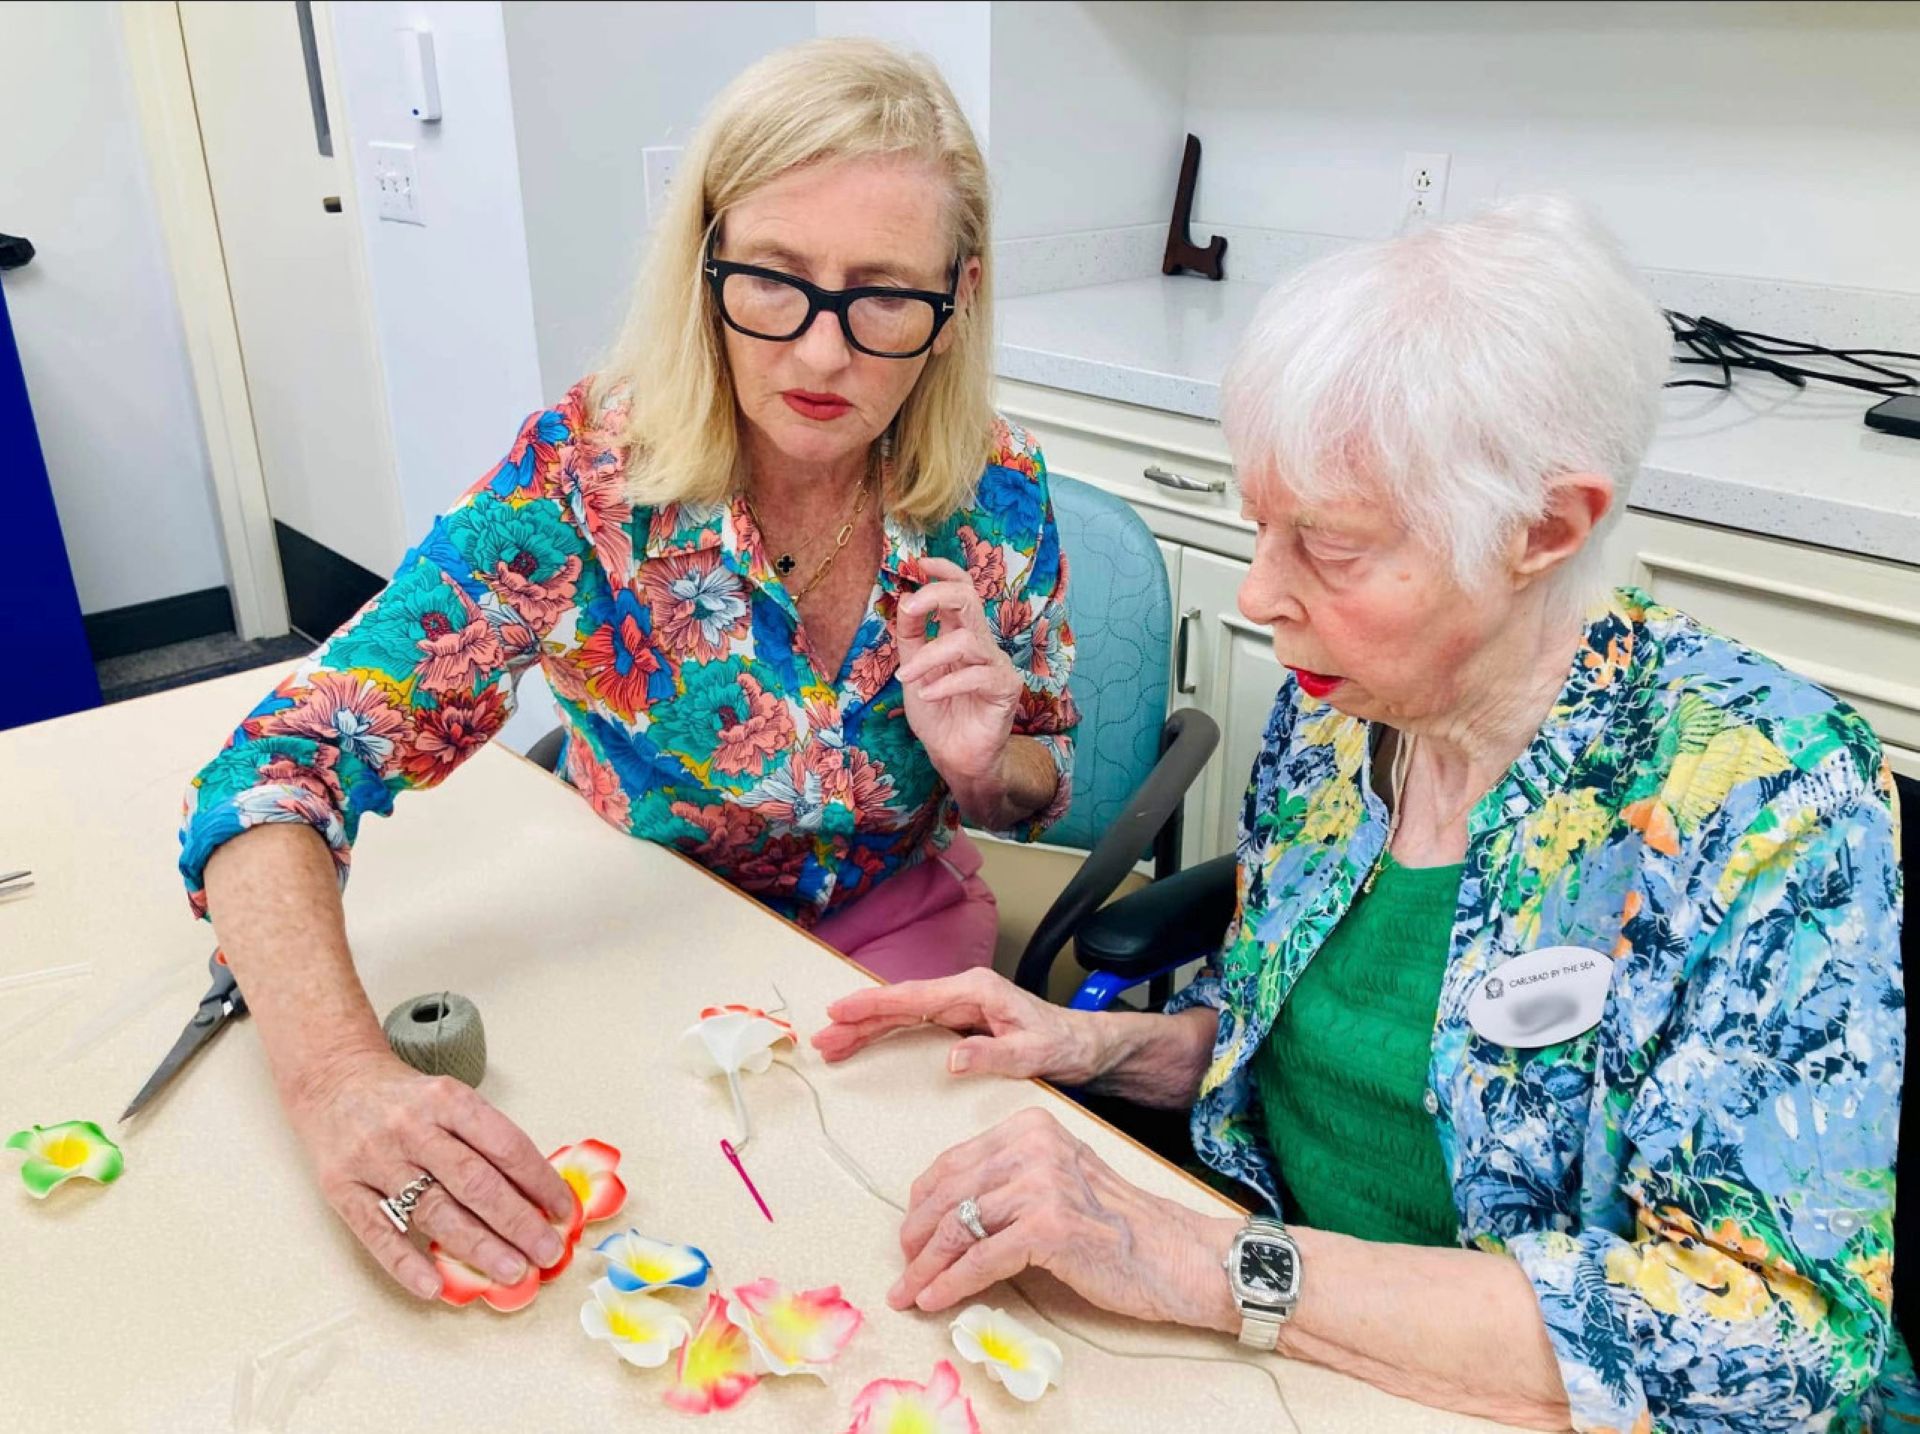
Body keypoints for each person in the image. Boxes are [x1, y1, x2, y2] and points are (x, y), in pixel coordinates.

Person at [815, 197, 1909, 1431]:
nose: (1260, 594)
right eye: (1259, 526)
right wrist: (1100, 1046)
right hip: (1296, 1365)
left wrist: (1207, 1264)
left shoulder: (1766, 797)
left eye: (1327, 546)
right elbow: (1300, 1058)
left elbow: (1775, 1343)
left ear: (1545, 529)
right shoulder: (1344, 712)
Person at [176, 39, 1075, 1303]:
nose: (821, 356)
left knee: (896, 1284)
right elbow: (279, 763)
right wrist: (336, 1078)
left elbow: (1038, 784)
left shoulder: (999, 490)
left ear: (960, 296)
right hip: (646, 939)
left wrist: (989, 767)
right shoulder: (584, 479)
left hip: (893, 949)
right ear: (705, 263)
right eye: (773, 279)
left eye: (884, 296)